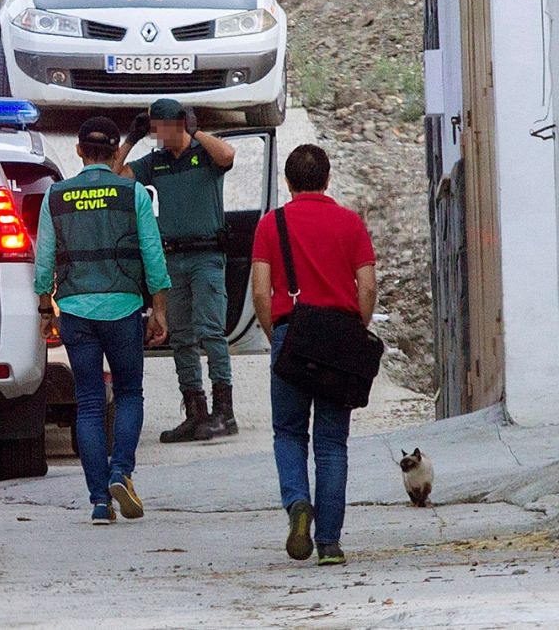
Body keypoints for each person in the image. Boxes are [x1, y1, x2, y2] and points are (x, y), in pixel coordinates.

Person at [35, 116, 171, 524]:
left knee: (90, 403)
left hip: (76, 311)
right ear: (115, 152)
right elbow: (153, 254)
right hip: (124, 309)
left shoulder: (56, 196)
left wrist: (46, 308)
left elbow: (43, 261)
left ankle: (99, 500)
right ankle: (121, 473)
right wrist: (160, 308)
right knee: (129, 394)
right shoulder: (132, 193)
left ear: (78, 150)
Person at [251, 144, 376, 567]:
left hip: (292, 333)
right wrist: (355, 329)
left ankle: (297, 503)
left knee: (288, 433)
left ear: (287, 183)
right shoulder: (350, 223)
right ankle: (330, 544)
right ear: (327, 179)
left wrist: (277, 335)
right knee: (331, 443)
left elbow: (260, 291)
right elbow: (368, 286)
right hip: (340, 338)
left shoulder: (272, 224)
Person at [117, 98, 238, 443]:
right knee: (181, 337)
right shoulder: (155, 163)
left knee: (211, 331)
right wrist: (131, 139)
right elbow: (116, 177)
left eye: (162, 129)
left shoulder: (204, 154)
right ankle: (195, 410)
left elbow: (228, 156)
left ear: (179, 125)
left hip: (206, 256)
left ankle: (224, 412)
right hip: (174, 259)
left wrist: (195, 130)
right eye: (154, 130)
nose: (158, 137)